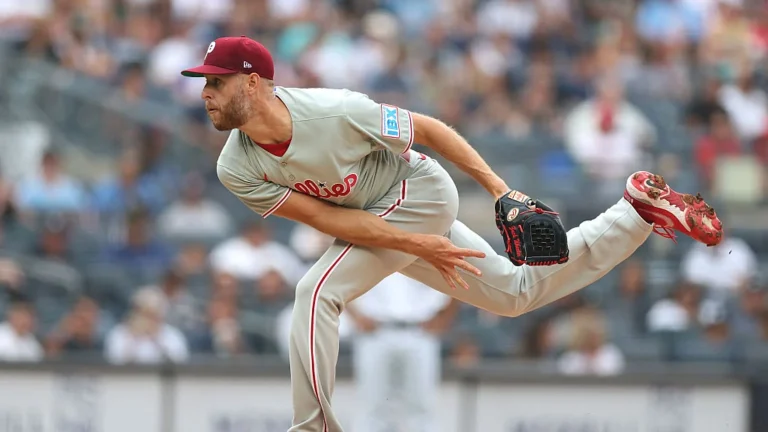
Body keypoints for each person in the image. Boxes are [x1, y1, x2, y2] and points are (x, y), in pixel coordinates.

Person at [180, 36, 724, 432]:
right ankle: (635, 211)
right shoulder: (236, 166)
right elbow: (329, 222)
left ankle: (312, 428)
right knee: (515, 294)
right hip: (387, 224)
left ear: (253, 81)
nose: (206, 92)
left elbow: (431, 129)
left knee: (315, 292)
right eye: (205, 82)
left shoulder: (335, 110)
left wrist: (499, 191)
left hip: (420, 191)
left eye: (216, 80)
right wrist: (419, 245)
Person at [345, 272, 458, 432]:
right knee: (371, 405)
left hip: (419, 330)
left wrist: (445, 318)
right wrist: (355, 316)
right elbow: (339, 274)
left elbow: (457, 276)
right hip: (376, 330)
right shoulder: (367, 245)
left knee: (422, 406)